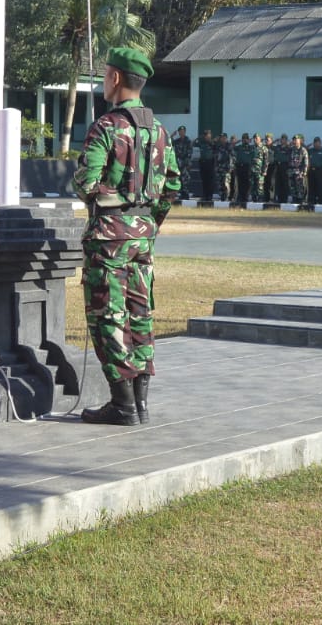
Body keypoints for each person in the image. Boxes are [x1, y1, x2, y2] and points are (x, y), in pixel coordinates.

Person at [73, 46, 180, 426]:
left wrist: (116, 210)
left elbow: (86, 183)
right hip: (142, 238)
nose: (103, 81)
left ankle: (122, 405)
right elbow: (172, 187)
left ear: (115, 78)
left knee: (108, 317)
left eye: (104, 74)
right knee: (139, 315)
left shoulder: (106, 127)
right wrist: (146, 222)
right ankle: (140, 403)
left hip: (109, 238)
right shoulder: (159, 130)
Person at [234, 132, 256, 204]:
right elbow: (231, 147)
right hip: (239, 166)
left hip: (247, 167)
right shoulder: (239, 147)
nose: (245, 140)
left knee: (247, 183)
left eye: (246, 138)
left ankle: (245, 197)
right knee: (240, 183)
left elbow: (254, 156)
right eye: (243, 139)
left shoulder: (251, 148)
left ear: (248, 139)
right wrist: (236, 142)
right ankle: (240, 197)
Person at [194, 129, 216, 200]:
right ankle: (205, 195)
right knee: (204, 180)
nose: (207, 136)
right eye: (206, 135)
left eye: (208, 135)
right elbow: (194, 143)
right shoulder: (201, 142)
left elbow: (216, 149)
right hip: (202, 163)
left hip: (210, 163)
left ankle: (210, 195)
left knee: (210, 180)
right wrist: (200, 137)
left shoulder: (213, 143)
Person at [287, 134, 310, 204]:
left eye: (296, 140)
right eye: (294, 140)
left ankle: (301, 201)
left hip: (300, 171)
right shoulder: (291, 150)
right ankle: (294, 199)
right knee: (292, 187)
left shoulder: (303, 150)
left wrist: (304, 172)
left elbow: (306, 162)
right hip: (292, 171)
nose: (295, 141)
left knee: (300, 187)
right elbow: (288, 160)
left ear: (300, 141)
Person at [170, 127, 193, 195]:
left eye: (183, 131)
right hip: (178, 162)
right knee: (178, 178)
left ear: (185, 132)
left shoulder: (188, 141)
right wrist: (172, 136)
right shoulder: (177, 141)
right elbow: (169, 142)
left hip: (185, 163)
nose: (181, 133)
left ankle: (185, 193)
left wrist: (187, 162)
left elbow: (190, 152)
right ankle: (180, 192)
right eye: (180, 131)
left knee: (185, 179)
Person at [213, 132, 234, 201]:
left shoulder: (229, 146)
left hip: (226, 168)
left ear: (226, 138)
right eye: (221, 138)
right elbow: (214, 155)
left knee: (226, 183)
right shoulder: (218, 146)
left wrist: (230, 167)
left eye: (223, 137)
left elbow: (232, 157)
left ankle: (227, 197)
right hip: (219, 168)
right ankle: (222, 196)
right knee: (220, 183)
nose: (222, 139)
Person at [307, 136, 322, 204]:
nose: (316, 144)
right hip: (311, 170)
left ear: (320, 143)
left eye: (318, 143)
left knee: (320, 186)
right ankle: (312, 200)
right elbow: (307, 159)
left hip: (320, 170)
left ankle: (320, 201)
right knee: (311, 186)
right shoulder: (311, 151)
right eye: (315, 143)